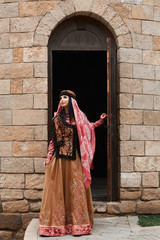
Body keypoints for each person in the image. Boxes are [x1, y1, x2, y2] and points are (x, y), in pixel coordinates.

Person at [39, 90, 107, 237]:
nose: (62, 99)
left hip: (75, 160)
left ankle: (78, 225)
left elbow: (89, 127)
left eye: (65, 97)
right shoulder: (57, 119)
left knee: (76, 189)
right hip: (60, 160)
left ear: (72, 101)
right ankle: (57, 226)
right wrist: (48, 157)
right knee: (58, 191)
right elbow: (53, 141)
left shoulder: (79, 119)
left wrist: (100, 121)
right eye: (61, 97)